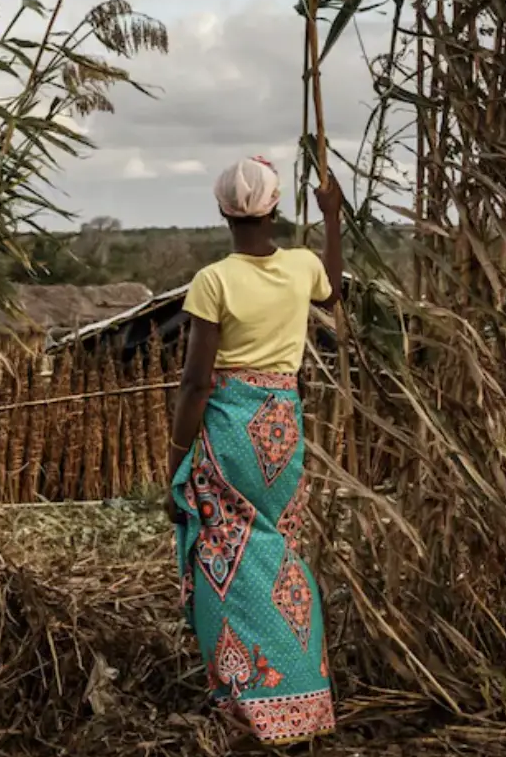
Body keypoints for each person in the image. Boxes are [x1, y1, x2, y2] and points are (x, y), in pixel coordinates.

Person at [166, 155, 342, 746]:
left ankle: (247, 704)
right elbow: (334, 291)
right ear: (275, 208)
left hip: (231, 428)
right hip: (281, 432)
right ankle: (304, 696)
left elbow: (195, 382)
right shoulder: (301, 267)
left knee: (226, 561)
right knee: (280, 550)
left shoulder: (213, 281)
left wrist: (176, 461)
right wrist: (333, 219)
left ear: (222, 211)